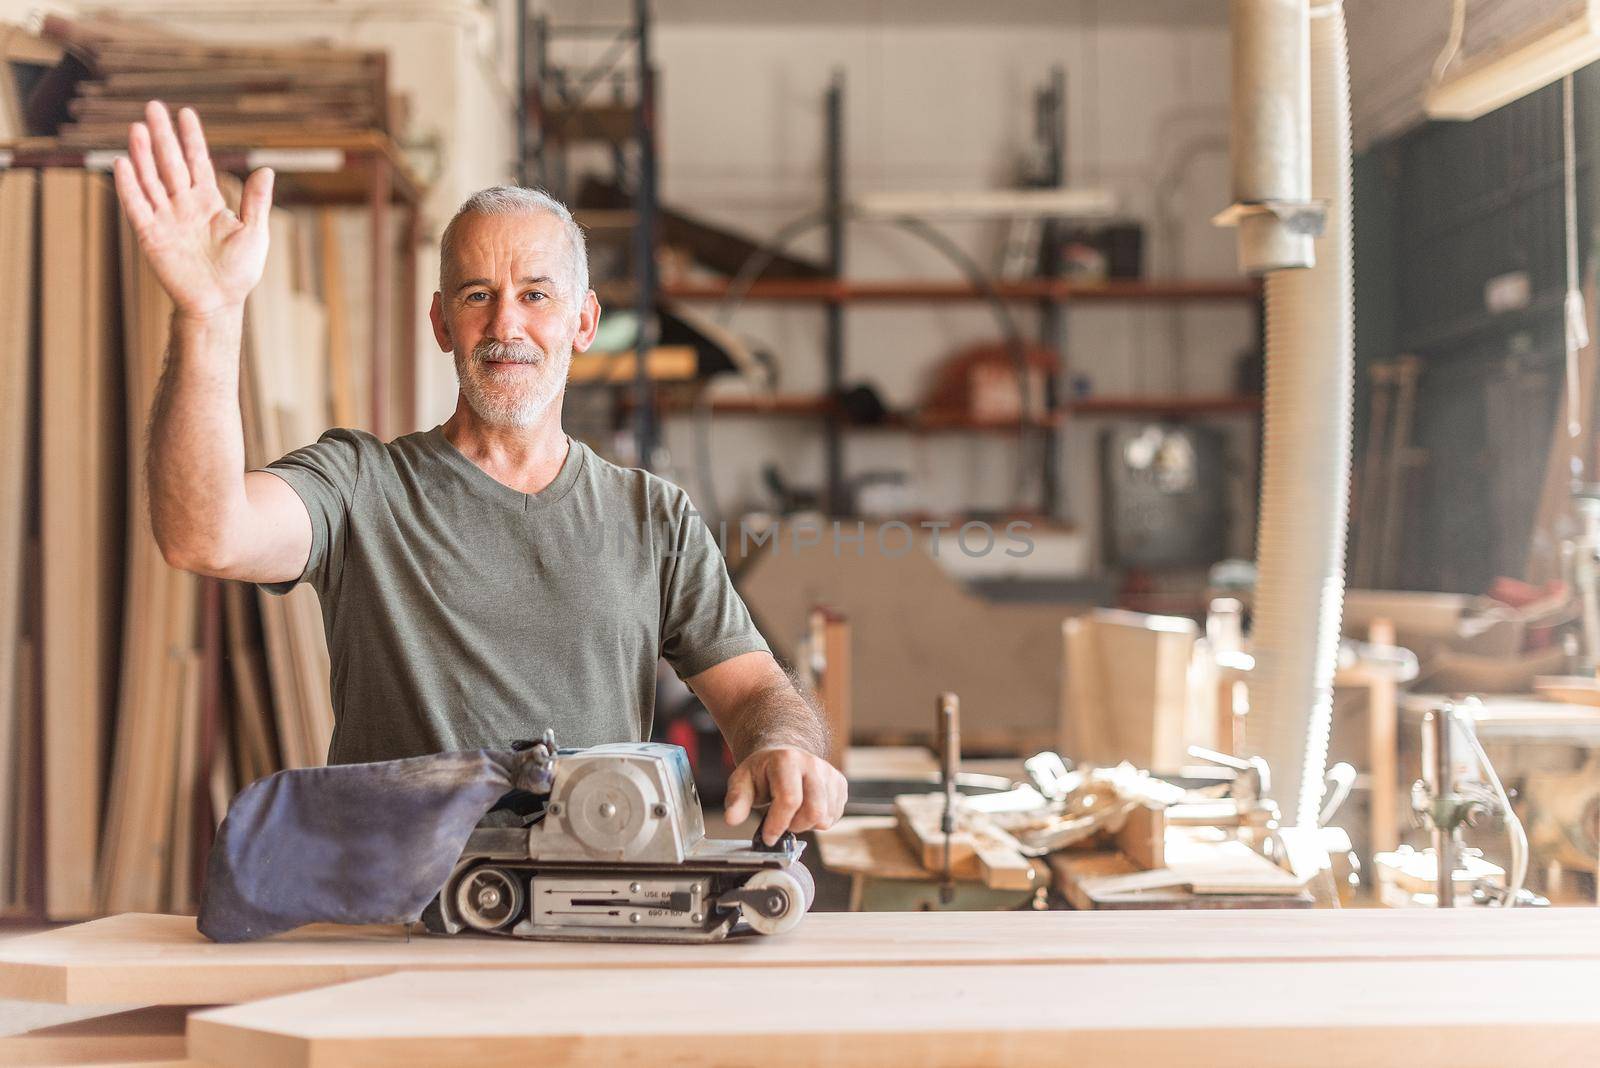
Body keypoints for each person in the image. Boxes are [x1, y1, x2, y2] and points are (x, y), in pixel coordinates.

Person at [113, 100, 845, 844]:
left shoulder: (652, 516)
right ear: (442, 324)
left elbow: (755, 688)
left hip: (594, 909)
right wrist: (208, 317)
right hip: (395, 918)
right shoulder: (362, 488)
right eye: (476, 296)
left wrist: (783, 744)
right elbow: (204, 534)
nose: (504, 325)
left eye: (534, 295)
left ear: (582, 322)